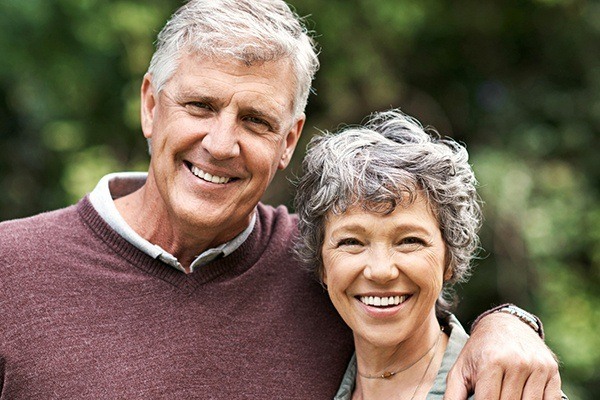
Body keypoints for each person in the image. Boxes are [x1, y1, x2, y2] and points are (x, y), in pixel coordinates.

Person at [0, 0, 561, 399]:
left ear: (289, 139)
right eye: (199, 105)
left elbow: (420, 312)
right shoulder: (11, 265)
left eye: (255, 119)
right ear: (150, 105)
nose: (221, 145)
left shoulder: (320, 262)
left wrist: (507, 323)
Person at [294, 109, 562, 399]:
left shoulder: (509, 390)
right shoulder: (307, 377)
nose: (381, 270)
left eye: (409, 241)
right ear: (321, 264)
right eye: (351, 242)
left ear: (450, 258)